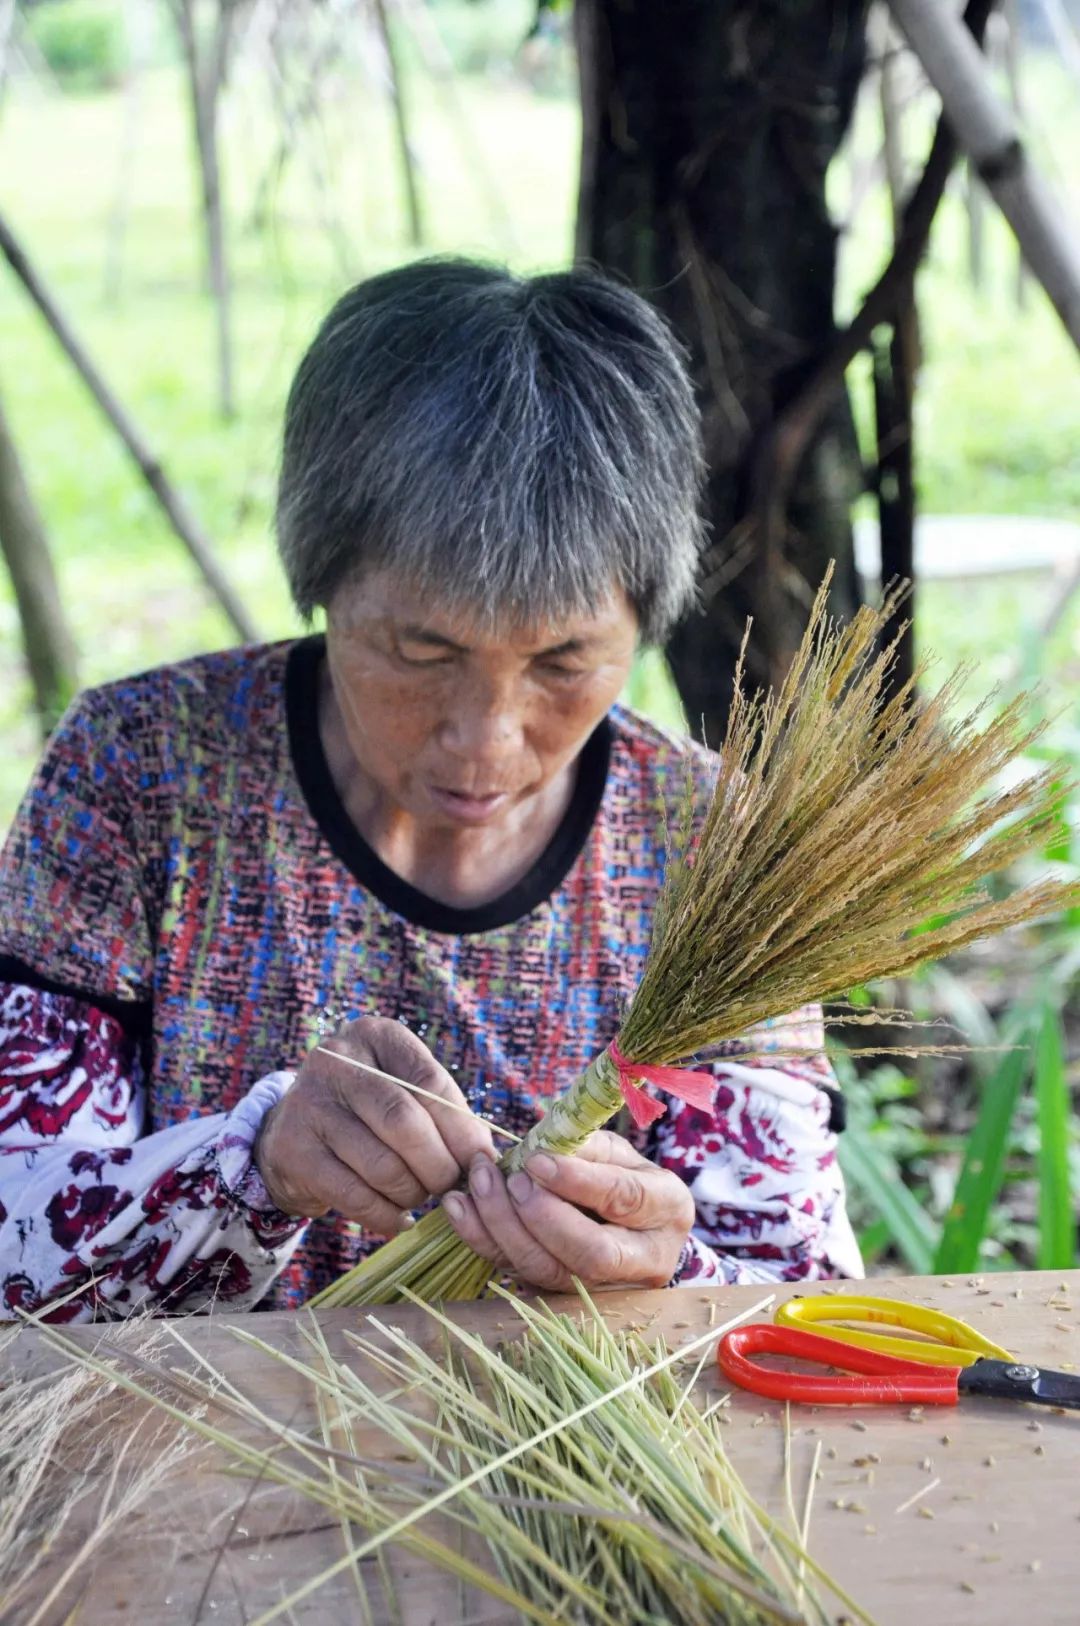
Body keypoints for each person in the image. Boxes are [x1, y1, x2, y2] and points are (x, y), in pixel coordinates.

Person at [0, 259, 861, 1322]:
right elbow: (14, 1241)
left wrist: (661, 1267)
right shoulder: (140, 775)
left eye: (563, 663)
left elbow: (803, 1301)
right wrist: (252, 1163)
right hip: (185, 1468)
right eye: (419, 648)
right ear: (321, 584)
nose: (485, 742)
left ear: (644, 620)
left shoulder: (711, 845)